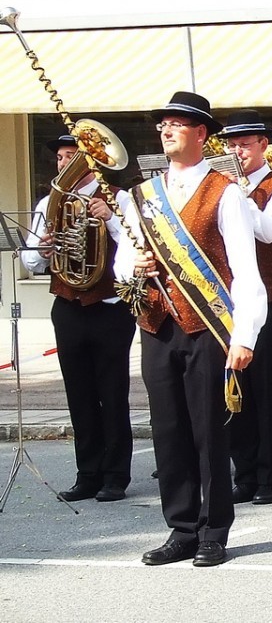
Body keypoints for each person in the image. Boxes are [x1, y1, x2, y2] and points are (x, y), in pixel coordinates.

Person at [116, 91, 267, 566]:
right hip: (158, 325)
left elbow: (245, 269)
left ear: (201, 133)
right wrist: (135, 265)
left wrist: (244, 335)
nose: (166, 130)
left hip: (206, 327)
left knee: (208, 431)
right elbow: (122, 261)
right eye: (162, 124)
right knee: (168, 431)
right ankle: (181, 528)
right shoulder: (142, 196)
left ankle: (213, 530)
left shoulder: (226, 192)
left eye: (176, 124)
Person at [23, 133, 136, 503]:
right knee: (79, 394)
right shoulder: (49, 202)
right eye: (60, 157)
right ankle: (87, 474)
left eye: (71, 156)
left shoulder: (118, 198)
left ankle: (115, 476)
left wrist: (111, 220)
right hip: (68, 305)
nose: (63, 163)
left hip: (109, 306)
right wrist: (43, 249)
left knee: (112, 393)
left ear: (91, 160)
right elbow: (31, 261)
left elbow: (137, 245)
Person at [216, 110, 272, 506]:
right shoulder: (217, 186)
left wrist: (237, 196)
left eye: (245, 145)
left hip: (270, 300)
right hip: (225, 303)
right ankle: (244, 472)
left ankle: (269, 475)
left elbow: (267, 230)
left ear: (263, 145)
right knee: (234, 390)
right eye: (232, 145)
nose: (237, 152)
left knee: (266, 391)